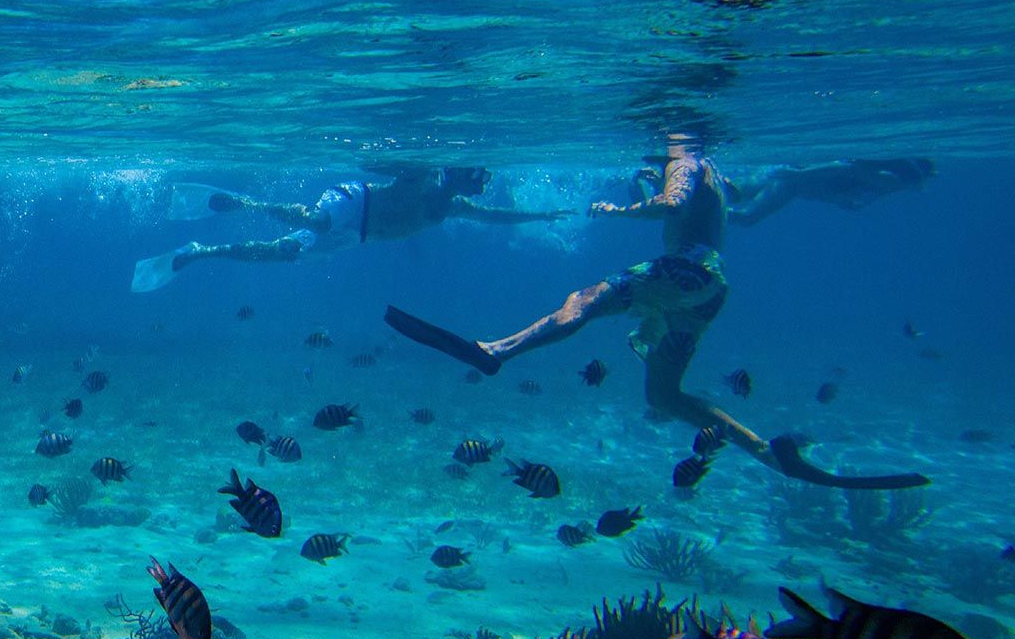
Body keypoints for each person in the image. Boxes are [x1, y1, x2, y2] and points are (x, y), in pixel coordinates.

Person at [383, 136, 927, 491]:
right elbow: (745, 200)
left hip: (684, 270)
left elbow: (672, 202)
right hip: (708, 289)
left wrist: (622, 209)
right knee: (664, 395)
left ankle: (496, 351)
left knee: (587, 300)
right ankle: (767, 453)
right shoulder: (714, 171)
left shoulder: (685, 161)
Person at [130, 167, 561, 292]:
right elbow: (376, 163)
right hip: (356, 200)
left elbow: (498, 216)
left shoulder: (455, 208)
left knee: (282, 253)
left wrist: (540, 218)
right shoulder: (424, 176)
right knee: (315, 219)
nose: (478, 183)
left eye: (483, 180)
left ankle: (200, 251)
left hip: (356, 236)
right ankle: (248, 203)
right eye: (476, 174)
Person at [723, 158, 934, 225]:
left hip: (790, 176)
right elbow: (847, 167)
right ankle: (696, 212)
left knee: (727, 193)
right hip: (792, 182)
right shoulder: (891, 181)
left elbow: (850, 175)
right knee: (745, 217)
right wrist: (801, 176)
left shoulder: (890, 186)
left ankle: (696, 201)